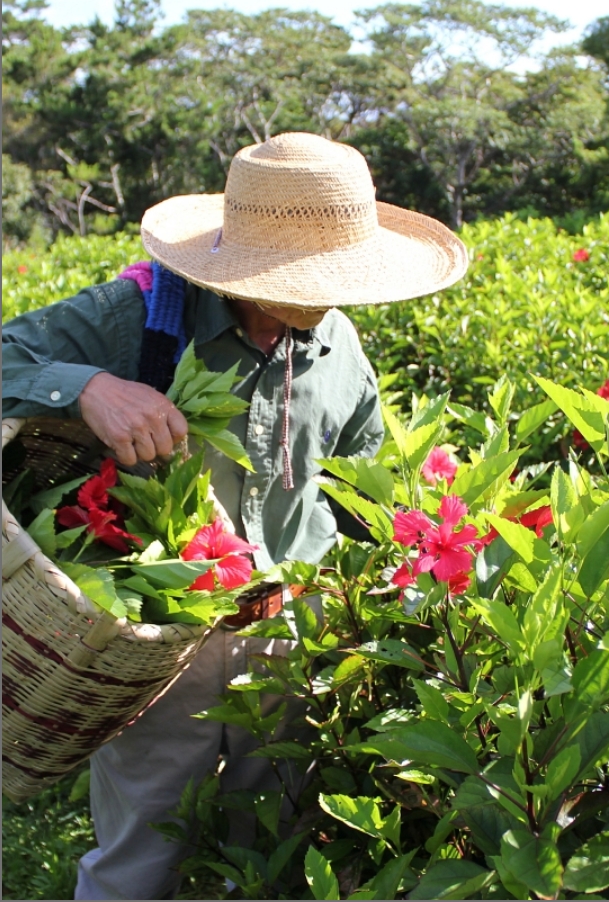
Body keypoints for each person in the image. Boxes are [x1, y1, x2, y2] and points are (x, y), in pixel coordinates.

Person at [2, 131, 468, 899]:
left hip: (294, 634)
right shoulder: (137, 315)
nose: (323, 297)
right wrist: (89, 387)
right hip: (157, 642)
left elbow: (365, 494)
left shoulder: (341, 350)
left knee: (274, 844)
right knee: (141, 855)